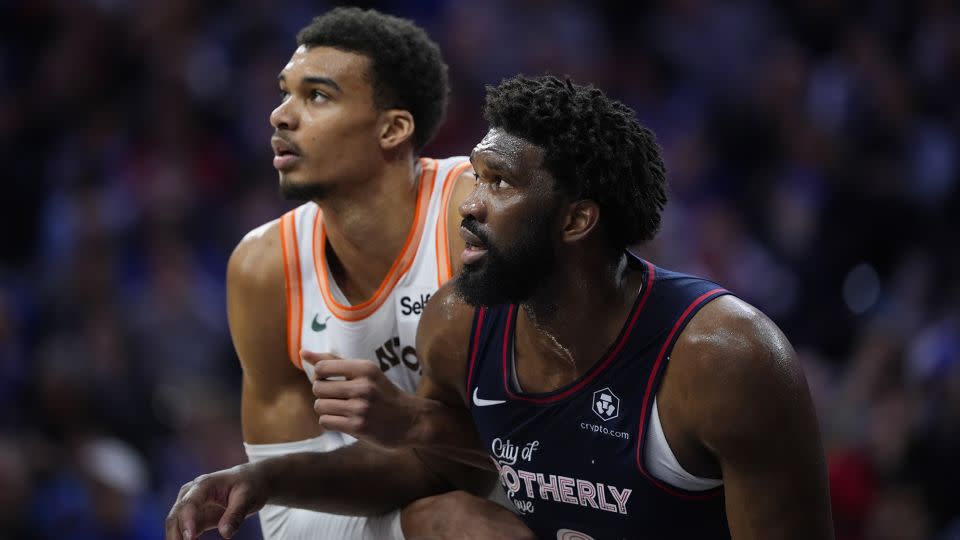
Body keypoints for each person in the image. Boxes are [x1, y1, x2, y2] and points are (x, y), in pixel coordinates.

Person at [167, 75, 834, 539]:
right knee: (444, 520)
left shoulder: (726, 362)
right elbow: (428, 470)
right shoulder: (457, 325)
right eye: (475, 177)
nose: (470, 204)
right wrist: (263, 479)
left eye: (501, 183)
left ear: (575, 221)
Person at [219, 7, 517, 540]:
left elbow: (566, 438)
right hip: (435, 509)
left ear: (392, 128)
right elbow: (289, 525)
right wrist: (259, 480)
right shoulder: (263, 268)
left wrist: (413, 425)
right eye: (284, 92)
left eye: (316, 96)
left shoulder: (473, 214)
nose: (280, 116)